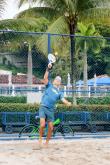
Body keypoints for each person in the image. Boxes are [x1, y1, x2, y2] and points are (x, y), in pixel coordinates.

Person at [39, 63, 72, 146]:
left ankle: (46, 143)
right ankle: (40, 139)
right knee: (42, 125)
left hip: (50, 110)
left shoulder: (59, 92)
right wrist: (48, 69)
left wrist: (67, 103)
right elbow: (45, 78)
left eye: (59, 80)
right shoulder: (49, 85)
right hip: (43, 107)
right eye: (56, 79)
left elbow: (63, 99)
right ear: (54, 80)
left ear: (60, 83)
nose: (58, 80)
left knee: (51, 128)